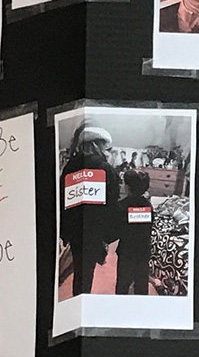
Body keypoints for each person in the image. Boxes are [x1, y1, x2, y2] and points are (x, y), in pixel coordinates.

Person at [59, 125, 120, 297]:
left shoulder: (69, 168)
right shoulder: (106, 169)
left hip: (75, 229)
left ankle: (78, 297)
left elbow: (63, 200)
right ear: (95, 146)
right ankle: (83, 299)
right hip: (95, 232)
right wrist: (108, 236)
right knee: (88, 271)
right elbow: (111, 205)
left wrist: (65, 231)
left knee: (79, 268)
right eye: (106, 148)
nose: (108, 152)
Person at [114, 167, 154, 297]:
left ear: (127, 187)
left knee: (123, 282)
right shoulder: (148, 206)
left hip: (127, 251)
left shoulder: (121, 206)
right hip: (143, 249)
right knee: (142, 282)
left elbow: (117, 231)